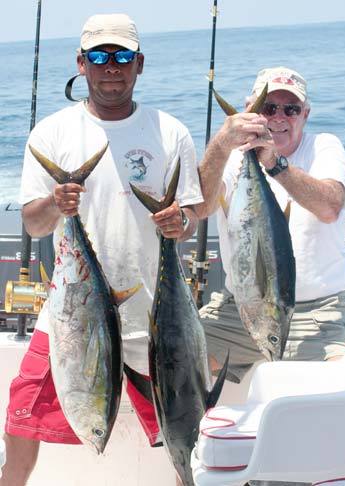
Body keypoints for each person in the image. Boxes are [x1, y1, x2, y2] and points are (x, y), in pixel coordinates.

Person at [0, 13, 202, 486]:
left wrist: (181, 221)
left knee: (183, 438)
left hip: (158, 317)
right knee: (21, 421)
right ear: (81, 63)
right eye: (99, 55)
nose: (112, 66)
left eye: (122, 56)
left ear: (140, 64)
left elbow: (192, 217)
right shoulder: (51, 134)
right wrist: (56, 201)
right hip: (71, 314)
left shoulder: (170, 132)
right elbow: (33, 220)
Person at [196, 66, 345, 385]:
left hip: (318, 313)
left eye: (291, 109)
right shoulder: (231, 157)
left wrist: (274, 162)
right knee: (173, 355)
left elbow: (330, 207)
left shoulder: (324, 145)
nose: (279, 117)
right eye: (269, 108)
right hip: (236, 310)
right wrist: (220, 144)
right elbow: (201, 207)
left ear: (305, 114)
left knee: (341, 387)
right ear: (248, 110)